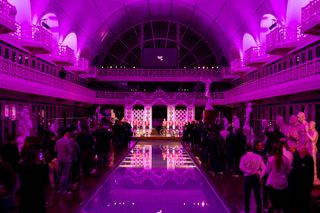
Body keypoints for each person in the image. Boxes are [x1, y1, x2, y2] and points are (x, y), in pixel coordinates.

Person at [240, 144, 266, 213]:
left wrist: (248, 171)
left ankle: (246, 211)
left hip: (247, 177)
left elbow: (241, 167)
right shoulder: (258, 156)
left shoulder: (243, 157)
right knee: (257, 195)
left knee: (247, 195)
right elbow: (264, 168)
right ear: (252, 149)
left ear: (245, 149)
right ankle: (259, 211)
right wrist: (260, 175)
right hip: (256, 177)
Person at [266, 143, 291, 212]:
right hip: (283, 184)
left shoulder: (270, 159)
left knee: (272, 205)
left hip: (273, 184)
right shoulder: (286, 159)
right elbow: (288, 171)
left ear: (273, 150)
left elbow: (268, 171)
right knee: (282, 205)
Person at [54, 128, 73, 193]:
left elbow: (55, 150)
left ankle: (57, 189)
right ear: (67, 134)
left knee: (58, 175)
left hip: (59, 159)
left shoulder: (57, 141)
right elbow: (70, 151)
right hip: (67, 160)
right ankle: (64, 190)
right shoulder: (68, 142)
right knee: (65, 175)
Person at [306, 121, 320, 185]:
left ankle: (315, 177)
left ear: (313, 125)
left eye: (310, 125)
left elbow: (313, 139)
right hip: (309, 148)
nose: (309, 126)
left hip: (313, 149)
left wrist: (307, 134)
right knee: (309, 162)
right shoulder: (310, 132)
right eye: (309, 125)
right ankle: (310, 175)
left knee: (314, 163)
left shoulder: (316, 132)